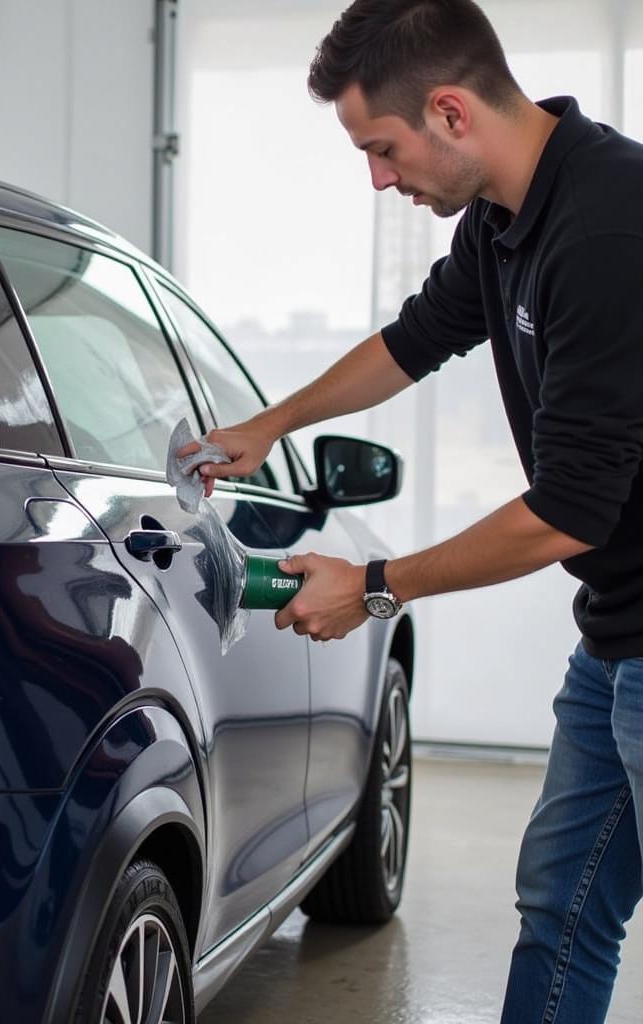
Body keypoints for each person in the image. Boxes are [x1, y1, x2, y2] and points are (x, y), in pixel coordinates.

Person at [180, 1, 643, 1021]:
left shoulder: (609, 227)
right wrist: (273, 421)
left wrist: (374, 587)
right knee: (561, 903)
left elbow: (570, 509)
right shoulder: (503, 218)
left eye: (381, 149)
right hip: (617, 634)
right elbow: (416, 338)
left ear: (448, 111)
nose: (380, 179)